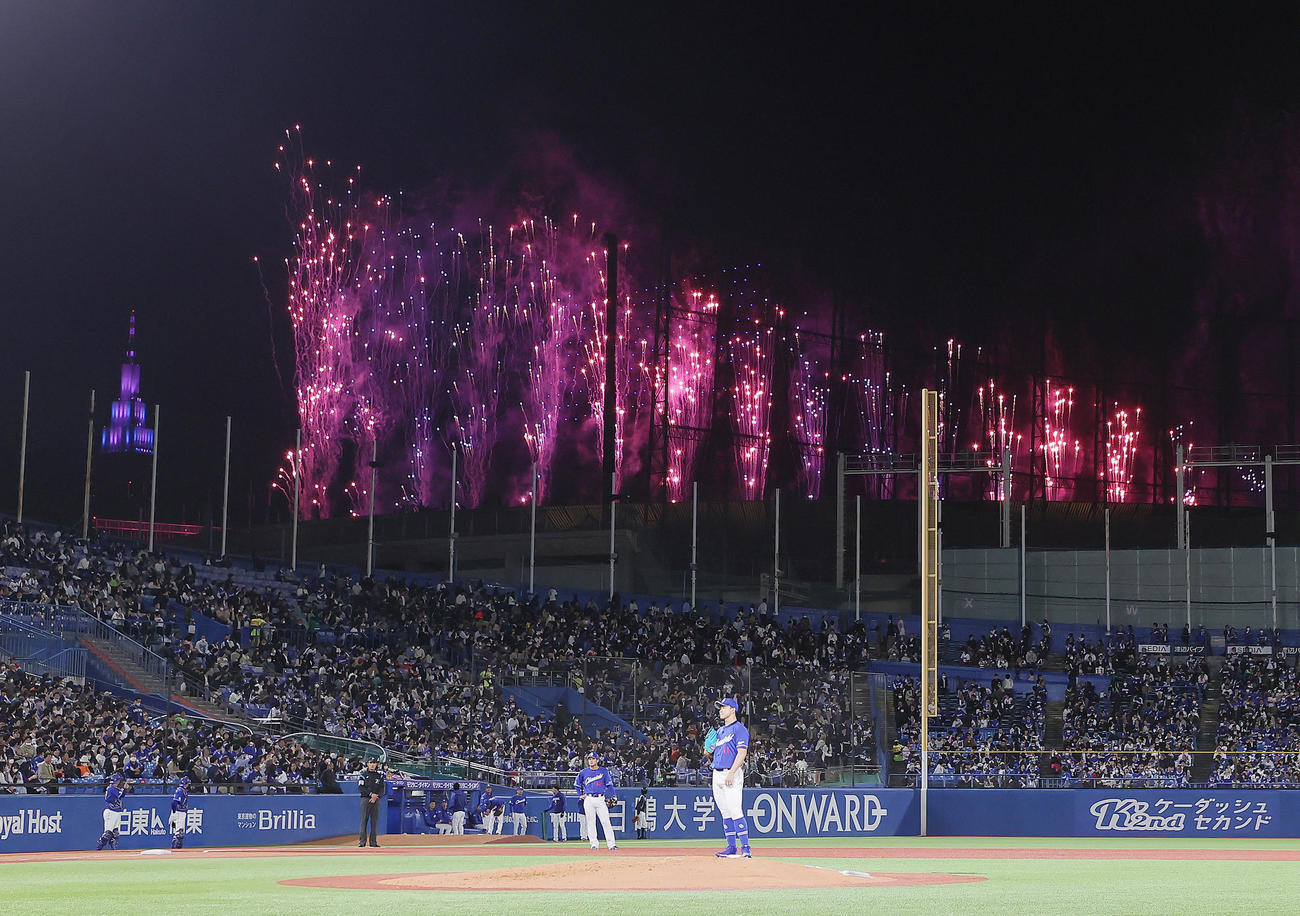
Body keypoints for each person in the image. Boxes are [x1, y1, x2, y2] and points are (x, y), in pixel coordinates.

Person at [710, 697, 751, 858]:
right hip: (717, 773)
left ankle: (746, 848)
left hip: (731, 773)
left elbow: (742, 753)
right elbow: (717, 753)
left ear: (732, 709)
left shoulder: (739, 729)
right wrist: (707, 751)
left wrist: (732, 772)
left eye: (724, 707)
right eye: (720, 708)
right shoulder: (720, 731)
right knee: (725, 812)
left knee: (735, 810)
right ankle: (731, 847)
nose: (721, 710)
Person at [573, 751, 618, 850]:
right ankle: (594, 844)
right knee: (591, 822)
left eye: (593, 759)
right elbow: (576, 785)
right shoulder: (583, 772)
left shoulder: (603, 771)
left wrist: (614, 795)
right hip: (588, 799)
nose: (591, 761)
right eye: (589, 759)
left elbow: (609, 785)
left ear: (597, 760)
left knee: (606, 821)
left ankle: (611, 844)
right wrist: (580, 795)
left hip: (600, 799)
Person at [95, 773, 127, 851]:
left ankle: (113, 848)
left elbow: (122, 795)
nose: (120, 782)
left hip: (117, 811)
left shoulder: (116, 788)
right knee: (108, 833)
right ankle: (99, 847)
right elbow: (119, 795)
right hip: (111, 811)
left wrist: (125, 789)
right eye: (119, 781)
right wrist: (125, 789)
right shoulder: (111, 788)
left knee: (115, 833)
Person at [357, 759, 385, 848]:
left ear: (376, 764)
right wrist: (370, 794)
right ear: (367, 764)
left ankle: (373, 842)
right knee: (364, 820)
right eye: (370, 763)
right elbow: (361, 788)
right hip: (366, 799)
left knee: (374, 822)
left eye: (374, 763)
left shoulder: (379, 775)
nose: (372, 765)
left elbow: (382, 788)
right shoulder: (363, 774)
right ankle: (362, 842)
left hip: (376, 800)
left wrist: (376, 796)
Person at [169, 776, 190, 849]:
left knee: (181, 834)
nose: (188, 785)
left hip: (181, 812)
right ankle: (175, 851)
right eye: (187, 783)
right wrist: (174, 813)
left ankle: (178, 850)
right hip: (179, 812)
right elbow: (174, 802)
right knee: (179, 833)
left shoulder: (183, 790)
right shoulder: (180, 790)